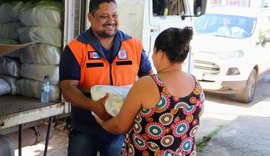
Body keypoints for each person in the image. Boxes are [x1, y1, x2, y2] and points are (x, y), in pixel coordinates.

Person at [59, 0, 153, 155]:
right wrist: (93, 106)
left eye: (114, 15)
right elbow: (67, 89)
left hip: (120, 128)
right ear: (90, 17)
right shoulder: (75, 48)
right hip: (85, 127)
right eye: (104, 16)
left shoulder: (134, 45)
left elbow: (150, 81)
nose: (111, 21)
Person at [95, 27, 205, 155]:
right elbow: (194, 117)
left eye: (153, 52)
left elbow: (120, 125)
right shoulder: (196, 85)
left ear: (160, 53)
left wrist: (103, 123)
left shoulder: (149, 84)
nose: (152, 56)